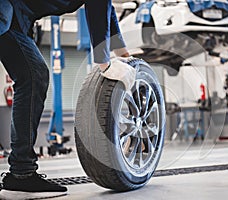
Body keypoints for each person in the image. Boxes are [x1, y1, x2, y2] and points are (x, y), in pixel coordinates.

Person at [0, 0, 134, 199]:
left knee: (33, 76)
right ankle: (21, 173)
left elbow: (106, 11)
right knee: (33, 76)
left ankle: (21, 174)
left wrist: (125, 57)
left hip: (17, 19)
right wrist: (104, 63)